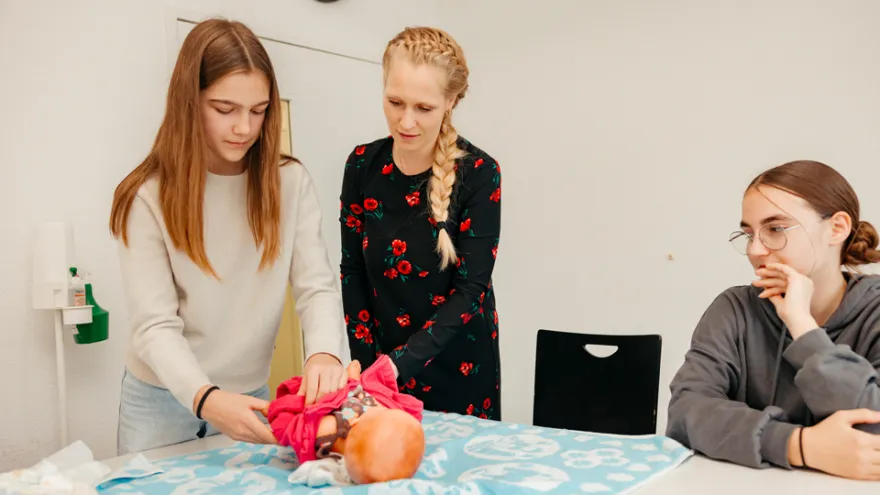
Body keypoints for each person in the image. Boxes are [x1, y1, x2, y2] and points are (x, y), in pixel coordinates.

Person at [109, 18, 347, 455]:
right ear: (189, 101)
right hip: (160, 400)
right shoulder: (145, 196)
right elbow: (155, 325)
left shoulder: (289, 183)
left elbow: (316, 287)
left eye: (258, 111)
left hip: (248, 394)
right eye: (224, 109)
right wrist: (206, 399)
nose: (244, 128)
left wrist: (324, 354)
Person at [666, 160, 880, 480]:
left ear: (837, 228)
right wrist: (799, 445)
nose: (755, 250)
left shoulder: (874, 310)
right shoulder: (734, 308)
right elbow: (686, 413)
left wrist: (802, 325)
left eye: (776, 229)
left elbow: (873, 427)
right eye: (749, 233)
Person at [339, 27, 502, 419]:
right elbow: (352, 270)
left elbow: (471, 289)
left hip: (459, 369)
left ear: (450, 101)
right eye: (395, 102)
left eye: (423, 108)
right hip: (379, 374)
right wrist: (367, 364)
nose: (405, 121)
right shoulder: (362, 165)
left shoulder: (479, 173)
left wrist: (398, 365)